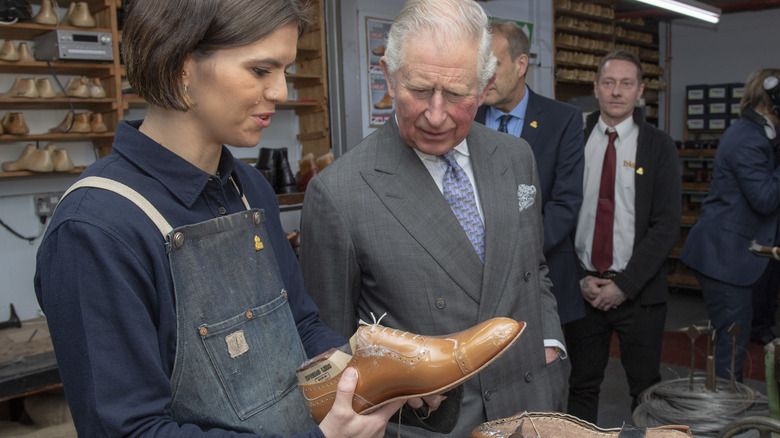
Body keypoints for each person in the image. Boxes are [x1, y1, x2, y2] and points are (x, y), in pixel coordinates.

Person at [33, 1, 436, 436]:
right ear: (181, 66)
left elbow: (298, 326)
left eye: (284, 70)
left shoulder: (249, 188)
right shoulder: (97, 228)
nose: (280, 92)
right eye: (260, 71)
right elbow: (129, 430)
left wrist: (374, 376)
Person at [299, 0, 567, 436]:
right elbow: (329, 348)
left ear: (485, 87)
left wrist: (549, 344)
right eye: (419, 90)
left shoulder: (515, 157)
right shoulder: (339, 193)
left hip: (532, 403)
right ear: (388, 75)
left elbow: (532, 269)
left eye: (458, 95)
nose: (436, 115)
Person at [566, 50, 681, 424]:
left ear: (640, 91)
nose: (617, 92)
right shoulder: (574, 140)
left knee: (646, 389)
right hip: (583, 290)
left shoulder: (659, 146)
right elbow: (557, 213)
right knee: (581, 385)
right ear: (596, 89)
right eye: (609, 83)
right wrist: (578, 278)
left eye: (626, 84)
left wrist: (625, 286)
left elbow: (666, 226)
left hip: (640, 294)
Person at [475, 21, 585, 325]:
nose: (483, 75)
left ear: (521, 64)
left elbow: (565, 203)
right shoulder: (466, 118)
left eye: (493, 64)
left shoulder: (563, 120)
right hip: (477, 281)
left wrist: (513, 254)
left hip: (543, 274)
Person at [680, 68, 780, 382]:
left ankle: (726, 407)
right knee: (732, 338)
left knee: (734, 334)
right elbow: (764, 197)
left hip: (735, 253)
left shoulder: (757, 135)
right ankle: (724, 419)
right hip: (724, 255)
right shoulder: (747, 139)